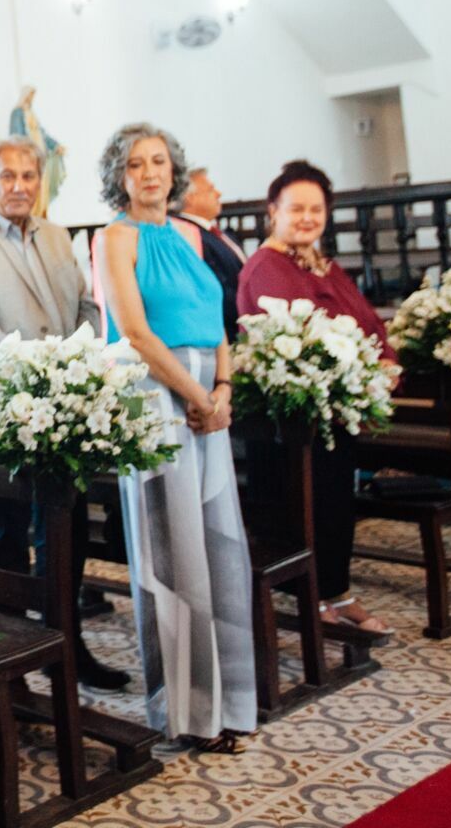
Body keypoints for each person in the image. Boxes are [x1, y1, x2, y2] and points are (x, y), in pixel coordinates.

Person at [0, 135, 128, 690]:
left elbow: (86, 304)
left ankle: (69, 648)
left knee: (64, 532)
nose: (19, 186)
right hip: (6, 411)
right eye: (8, 176)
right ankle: (7, 664)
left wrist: (84, 360)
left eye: (28, 177)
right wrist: (44, 374)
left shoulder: (56, 234)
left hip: (67, 411)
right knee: (4, 537)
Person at [97, 124, 256, 751]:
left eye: (159, 161)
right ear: (121, 176)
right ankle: (189, 713)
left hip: (205, 401)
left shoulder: (189, 233)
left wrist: (223, 391)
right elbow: (133, 332)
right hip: (156, 399)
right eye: (135, 164)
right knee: (177, 554)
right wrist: (196, 399)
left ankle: (234, 701)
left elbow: (219, 318)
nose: (149, 173)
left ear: (174, 170)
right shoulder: (116, 237)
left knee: (219, 548)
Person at [236, 160, 392, 634]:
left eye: (316, 209)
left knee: (336, 506)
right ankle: (316, 600)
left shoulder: (325, 264)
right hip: (293, 424)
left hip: (337, 410)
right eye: (296, 208)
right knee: (309, 509)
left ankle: (338, 593)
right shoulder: (267, 266)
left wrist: (383, 362)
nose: (307, 217)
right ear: (273, 212)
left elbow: (369, 323)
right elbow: (300, 336)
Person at [179, 165, 246, 341]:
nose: (218, 194)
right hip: (229, 331)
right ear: (189, 197)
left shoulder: (213, 231)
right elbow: (217, 289)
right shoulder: (192, 236)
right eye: (210, 190)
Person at [8, 84, 65, 217]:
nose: (31, 98)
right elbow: (17, 136)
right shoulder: (17, 113)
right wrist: (27, 152)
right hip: (28, 158)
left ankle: (41, 214)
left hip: (40, 157)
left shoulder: (30, 112)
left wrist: (55, 146)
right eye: (30, 95)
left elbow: (42, 134)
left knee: (42, 190)